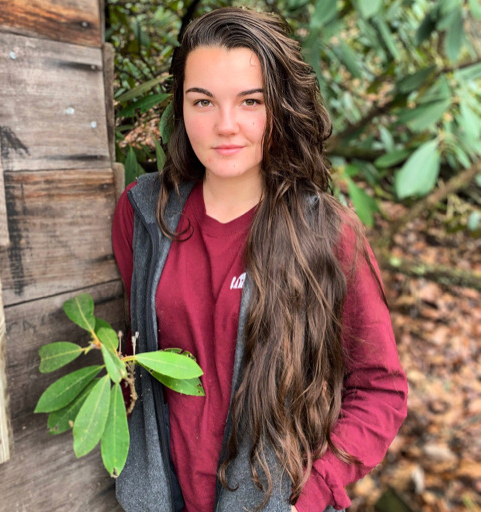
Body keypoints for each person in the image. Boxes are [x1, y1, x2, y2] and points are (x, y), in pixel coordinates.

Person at [112, 7, 407, 512]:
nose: (226, 126)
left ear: (280, 106)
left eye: (250, 101)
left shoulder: (326, 233)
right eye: (202, 100)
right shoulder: (142, 215)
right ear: (180, 107)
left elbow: (381, 388)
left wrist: (311, 494)